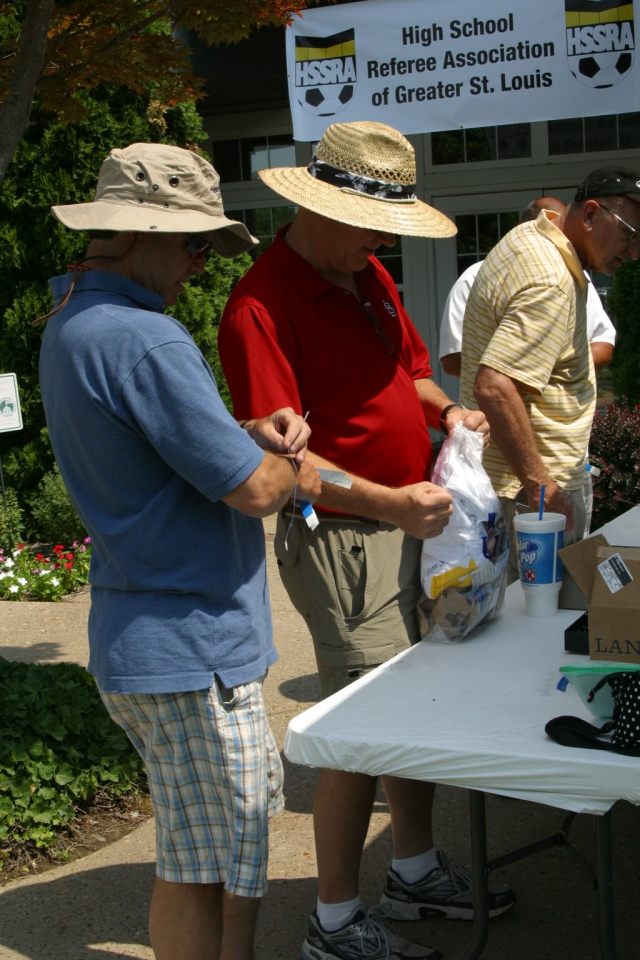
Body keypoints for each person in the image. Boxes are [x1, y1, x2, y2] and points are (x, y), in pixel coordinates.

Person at [218, 121, 514, 960]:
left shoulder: (363, 270)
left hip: (405, 524)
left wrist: (448, 411)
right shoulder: (258, 307)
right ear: (322, 208)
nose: (384, 243)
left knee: (407, 706)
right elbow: (286, 467)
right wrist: (391, 504)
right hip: (346, 541)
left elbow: (409, 373)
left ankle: (411, 869)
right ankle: (335, 922)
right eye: (373, 227)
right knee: (357, 729)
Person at [38, 142, 321, 960]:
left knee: (199, 852)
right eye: (195, 243)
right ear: (137, 233)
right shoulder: (145, 339)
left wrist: (241, 432)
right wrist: (291, 465)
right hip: (191, 648)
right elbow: (258, 491)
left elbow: (152, 447)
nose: (201, 264)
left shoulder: (72, 321)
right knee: (205, 865)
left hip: (148, 634)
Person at [459, 167, 640, 575]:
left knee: (515, 607)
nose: (634, 252)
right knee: (539, 608)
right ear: (590, 214)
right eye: (630, 234)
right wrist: (541, 485)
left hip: (514, 490)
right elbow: (494, 385)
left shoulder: (532, 237)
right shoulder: (552, 279)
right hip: (533, 501)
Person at [438, 196, 616, 377]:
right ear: (524, 230)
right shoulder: (475, 277)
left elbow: (603, 343)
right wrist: (526, 373)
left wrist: (554, 374)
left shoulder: (577, 275)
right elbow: (453, 359)